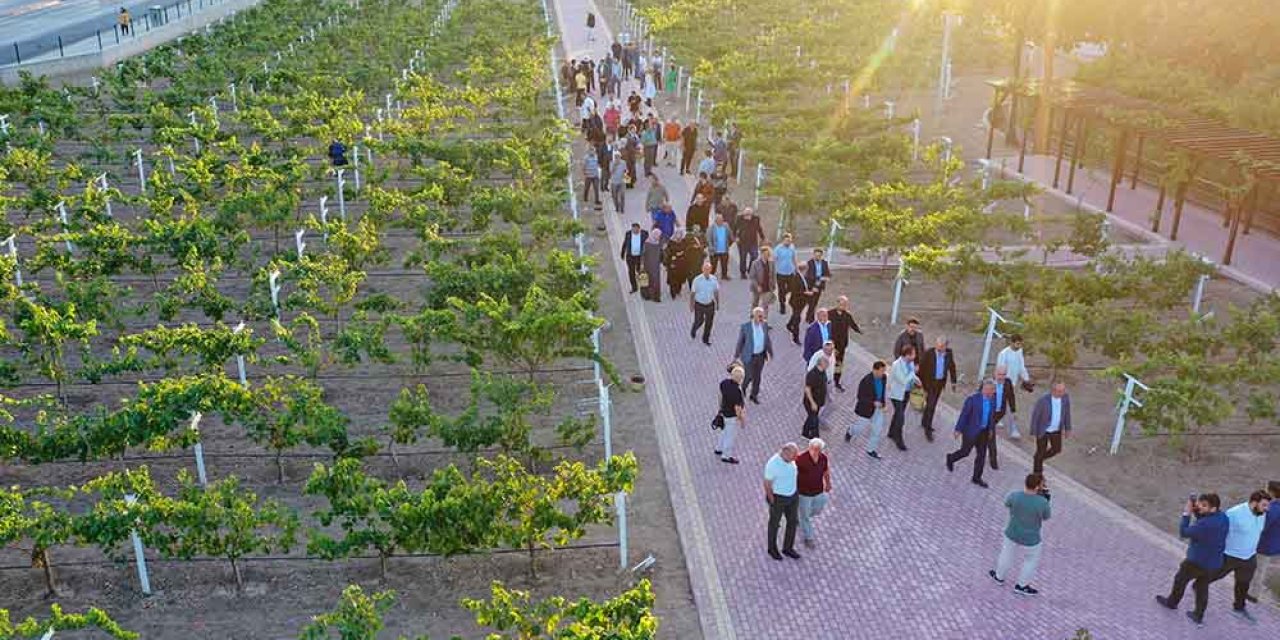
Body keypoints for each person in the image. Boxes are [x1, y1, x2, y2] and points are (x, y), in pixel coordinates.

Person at [1155, 493, 1230, 627]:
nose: (1200, 507)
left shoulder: (1204, 524)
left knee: (1180, 580)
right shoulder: (1223, 517)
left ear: (1213, 508)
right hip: (1214, 562)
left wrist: (1187, 513)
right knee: (1202, 587)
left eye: (1204, 505)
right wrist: (1198, 510)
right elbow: (1205, 519)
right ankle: (1198, 615)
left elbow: (1184, 532)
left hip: (1196, 561)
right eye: (1200, 504)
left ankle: (1172, 603)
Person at [1210, 491, 1273, 624]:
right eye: (1264, 505)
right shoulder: (1235, 513)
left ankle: (1239, 607)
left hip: (1249, 557)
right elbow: (1219, 530)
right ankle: (1199, 584)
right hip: (1230, 555)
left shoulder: (1261, 514)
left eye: (1268, 506)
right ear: (1254, 503)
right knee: (1214, 575)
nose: (1267, 509)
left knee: (1243, 584)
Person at [990, 473, 1052, 596]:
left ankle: (999, 577)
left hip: (1012, 532)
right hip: (1031, 538)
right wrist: (1046, 500)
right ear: (1038, 487)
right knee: (1030, 560)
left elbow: (1007, 504)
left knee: (1006, 554)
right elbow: (1046, 517)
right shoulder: (1042, 502)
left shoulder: (1015, 495)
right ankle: (1022, 586)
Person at [945, 379, 997, 487]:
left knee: (981, 455)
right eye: (987, 389)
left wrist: (991, 429)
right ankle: (951, 458)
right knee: (965, 452)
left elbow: (991, 417)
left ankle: (976, 478)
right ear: (982, 389)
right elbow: (964, 415)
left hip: (984, 432)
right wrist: (958, 429)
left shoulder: (993, 400)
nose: (989, 392)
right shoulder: (972, 400)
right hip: (971, 432)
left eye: (991, 390)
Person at [764, 443, 802, 560]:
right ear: (785, 452)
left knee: (793, 522)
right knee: (774, 524)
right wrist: (772, 500)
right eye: (793, 455)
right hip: (778, 498)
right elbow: (767, 484)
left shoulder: (790, 460)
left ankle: (788, 548)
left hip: (792, 495)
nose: (795, 458)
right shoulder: (773, 464)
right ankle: (772, 549)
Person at [846, 361, 888, 459]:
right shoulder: (866, 380)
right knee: (859, 428)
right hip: (866, 410)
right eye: (882, 371)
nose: (883, 373)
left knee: (877, 430)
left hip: (878, 409)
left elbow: (882, 392)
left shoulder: (884, 378)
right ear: (875, 370)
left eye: (884, 371)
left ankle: (871, 450)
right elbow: (860, 397)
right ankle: (851, 431)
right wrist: (873, 402)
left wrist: (883, 404)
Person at [795, 438, 831, 548]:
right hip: (804, 493)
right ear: (809, 448)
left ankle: (800, 517)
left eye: (819, 450)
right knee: (805, 515)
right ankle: (808, 537)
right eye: (814, 449)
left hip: (818, 491)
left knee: (819, 508)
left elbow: (826, 471)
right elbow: (792, 472)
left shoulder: (823, 458)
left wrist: (828, 483)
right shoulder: (800, 459)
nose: (816, 452)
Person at [919, 336, 957, 442]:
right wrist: (920, 384)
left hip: (940, 384)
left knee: (932, 404)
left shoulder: (949, 353)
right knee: (931, 406)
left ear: (946, 346)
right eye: (938, 345)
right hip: (929, 383)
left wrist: (953, 382)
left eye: (942, 346)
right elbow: (921, 368)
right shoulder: (929, 353)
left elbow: (952, 367)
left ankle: (924, 421)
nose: (939, 348)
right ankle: (928, 429)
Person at [1029, 381, 1071, 474]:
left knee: (1057, 449)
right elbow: (1035, 416)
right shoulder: (1043, 400)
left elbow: (1067, 413)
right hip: (1043, 430)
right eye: (1059, 391)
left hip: (1056, 430)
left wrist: (1067, 428)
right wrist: (1033, 432)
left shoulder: (1065, 398)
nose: (1062, 393)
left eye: (1063, 390)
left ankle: (1038, 459)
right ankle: (1037, 475)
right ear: (1053, 391)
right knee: (1040, 451)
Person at [996, 335, 1033, 439]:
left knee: (1008, 405)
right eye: (1017, 343)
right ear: (1011, 343)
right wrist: (1003, 383)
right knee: (1011, 406)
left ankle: (1000, 420)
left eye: (1020, 344)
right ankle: (1014, 430)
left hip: (1014, 383)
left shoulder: (1019, 352)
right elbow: (1000, 370)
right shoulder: (1003, 354)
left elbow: (1021, 366)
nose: (1019, 346)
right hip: (1005, 384)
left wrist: (1026, 379)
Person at [1249, 480, 1280, 603]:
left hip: (1265, 543)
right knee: (1259, 567)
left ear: (1272, 492)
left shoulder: (1274, 508)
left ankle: (1253, 594)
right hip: (1272, 543)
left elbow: (1264, 525)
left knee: (1259, 568)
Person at [886, 346, 921, 452]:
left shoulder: (910, 362)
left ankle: (891, 432)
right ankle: (898, 439)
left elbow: (912, 375)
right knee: (901, 417)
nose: (915, 356)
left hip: (905, 392)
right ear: (907, 355)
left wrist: (917, 380)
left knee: (898, 413)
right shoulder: (897, 365)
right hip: (896, 394)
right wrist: (913, 372)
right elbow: (903, 380)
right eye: (913, 354)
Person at [735, 307, 773, 404]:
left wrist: (770, 352)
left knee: (757, 376)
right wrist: (736, 356)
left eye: (763, 316)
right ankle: (742, 389)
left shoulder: (764, 325)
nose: (762, 318)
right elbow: (740, 342)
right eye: (760, 316)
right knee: (748, 376)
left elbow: (767, 340)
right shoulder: (746, 327)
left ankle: (754, 395)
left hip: (760, 356)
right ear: (754, 316)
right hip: (749, 356)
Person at [828, 296, 862, 391]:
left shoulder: (847, 315)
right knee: (829, 362)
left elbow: (853, 325)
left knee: (839, 363)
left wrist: (859, 330)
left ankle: (837, 381)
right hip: (831, 344)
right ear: (837, 303)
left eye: (845, 305)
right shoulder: (830, 314)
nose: (843, 306)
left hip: (842, 344)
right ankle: (827, 380)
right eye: (841, 304)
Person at [988, 366, 1017, 470]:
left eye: (1004, 375)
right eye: (999, 374)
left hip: (999, 413)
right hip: (988, 413)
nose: (1001, 377)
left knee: (987, 432)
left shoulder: (1008, 383)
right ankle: (993, 460)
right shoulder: (989, 383)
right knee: (991, 435)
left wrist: (1013, 411)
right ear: (995, 374)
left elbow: (1011, 397)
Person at [716, 366, 746, 464]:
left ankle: (718, 448)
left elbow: (720, 396)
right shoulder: (737, 391)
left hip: (724, 412)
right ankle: (726, 456)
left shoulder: (724, 383)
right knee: (730, 435)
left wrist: (720, 408)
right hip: (731, 416)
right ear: (740, 378)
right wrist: (741, 419)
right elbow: (737, 408)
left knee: (723, 431)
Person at [785, 262, 817, 344]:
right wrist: (806, 293)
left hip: (801, 302)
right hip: (796, 302)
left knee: (795, 315)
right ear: (805, 269)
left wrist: (811, 289)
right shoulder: (796, 277)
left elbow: (806, 285)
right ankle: (795, 337)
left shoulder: (803, 276)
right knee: (797, 319)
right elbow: (794, 290)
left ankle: (789, 325)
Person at [689, 262, 720, 346]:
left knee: (709, 322)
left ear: (711, 270)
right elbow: (692, 293)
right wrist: (691, 305)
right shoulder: (697, 280)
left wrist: (718, 303)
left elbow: (716, 292)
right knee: (699, 321)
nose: (707, 271)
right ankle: (694, 329)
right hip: (699, 304)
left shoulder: (714, 279)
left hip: (710, 304)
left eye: (708, 269)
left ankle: (705, 339)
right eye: (705, 269)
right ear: (702, 269)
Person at [733, 208, 766, 279]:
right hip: (742, 242)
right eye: (746, 215)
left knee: (755, 256)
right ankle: (743, 273)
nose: (747, 217)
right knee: (743, 258)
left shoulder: (756, 219)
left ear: (752, 214)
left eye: (749, 215)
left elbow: (759, 228)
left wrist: (763, 237)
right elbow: (734, 228)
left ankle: (750, 269)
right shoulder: (739, 218)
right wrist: (736, 237)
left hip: (753, 242)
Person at [802, 357, 829, 439]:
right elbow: (807, 389)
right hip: (811, 401)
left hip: (819, 401)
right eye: (826, 364)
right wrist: (812, 402)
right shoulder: (812, 374)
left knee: (812, 417)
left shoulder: (823, 372)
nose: (828, 365)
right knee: (814, 419)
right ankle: (815, 436)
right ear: (821, 364)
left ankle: (805, 432)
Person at [773, 233, 799, 314]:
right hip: (780, 272)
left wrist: (796, 268)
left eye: (790, 240)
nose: (789, 242)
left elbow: (794, 258)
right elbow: (774, 259)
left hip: (790, 272)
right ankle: (782, 306)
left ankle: (783, 294)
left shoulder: (792, 247)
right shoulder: (778, 248)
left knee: (792, 288)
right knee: (781, 290)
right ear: (783, 240)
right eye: (787, 240)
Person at [748, 246, 777, 317]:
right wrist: (757, 286)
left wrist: (773, 285)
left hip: (767, 287)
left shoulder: (771, 263)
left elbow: (773, 275)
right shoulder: (755, 263)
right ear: (761, 254)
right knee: (755, 302)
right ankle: (753, 316)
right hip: (757, 287)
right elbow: (752, 276)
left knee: (765, 305)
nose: (766, 256)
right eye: (764, 254)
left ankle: (764, 320)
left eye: (767, 254)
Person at [804, 249, 831, 323]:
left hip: (820, 286)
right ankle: (810, 318)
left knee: (815, 302)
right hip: (811, 285)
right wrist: (819, 279)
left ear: (821, 256)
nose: (817, 257)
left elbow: (828, 274)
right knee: (811, 302)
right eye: (816, 255)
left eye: (819, 256)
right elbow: (809, 276)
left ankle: (809, 316)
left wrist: (825, 278)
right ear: (813, 255)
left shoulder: (824, 263)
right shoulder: (810, 263)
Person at [620, 222, 647, 294]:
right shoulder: (628, 234)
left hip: (639, 257)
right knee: (631, 272)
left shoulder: (644, 234)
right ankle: (634, 287)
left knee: (640, 271)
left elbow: (647, 244)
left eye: (636, 230)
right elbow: (625, 243)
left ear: (639, 229)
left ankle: (643, 286)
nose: (634, 231)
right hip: (630, 256)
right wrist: (622, 253)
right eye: (633, 230)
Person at [705, 214, 734, 279]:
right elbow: (708, 238)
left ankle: (724, 275)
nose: (720, 221)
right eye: (718, 220)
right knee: (713, 265)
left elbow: (730, 235)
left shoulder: (726, 226)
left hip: (724, 249)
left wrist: (730, 243)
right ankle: (710, 276)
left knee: (724, 264)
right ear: (716, 221)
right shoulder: (711, 227)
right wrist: (710, 246)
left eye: (721, 220)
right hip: (714, 250)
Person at [640, 228, 663, 301]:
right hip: (648, 264)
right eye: (658, 235)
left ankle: (656, 296)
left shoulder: (659, 242)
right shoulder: (647, 243)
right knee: (646, 280)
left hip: (656, 265)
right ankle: (646, 295)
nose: (659, 237)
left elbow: (661, 253)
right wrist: (642, 264)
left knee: (655, 280)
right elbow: (643, 254)